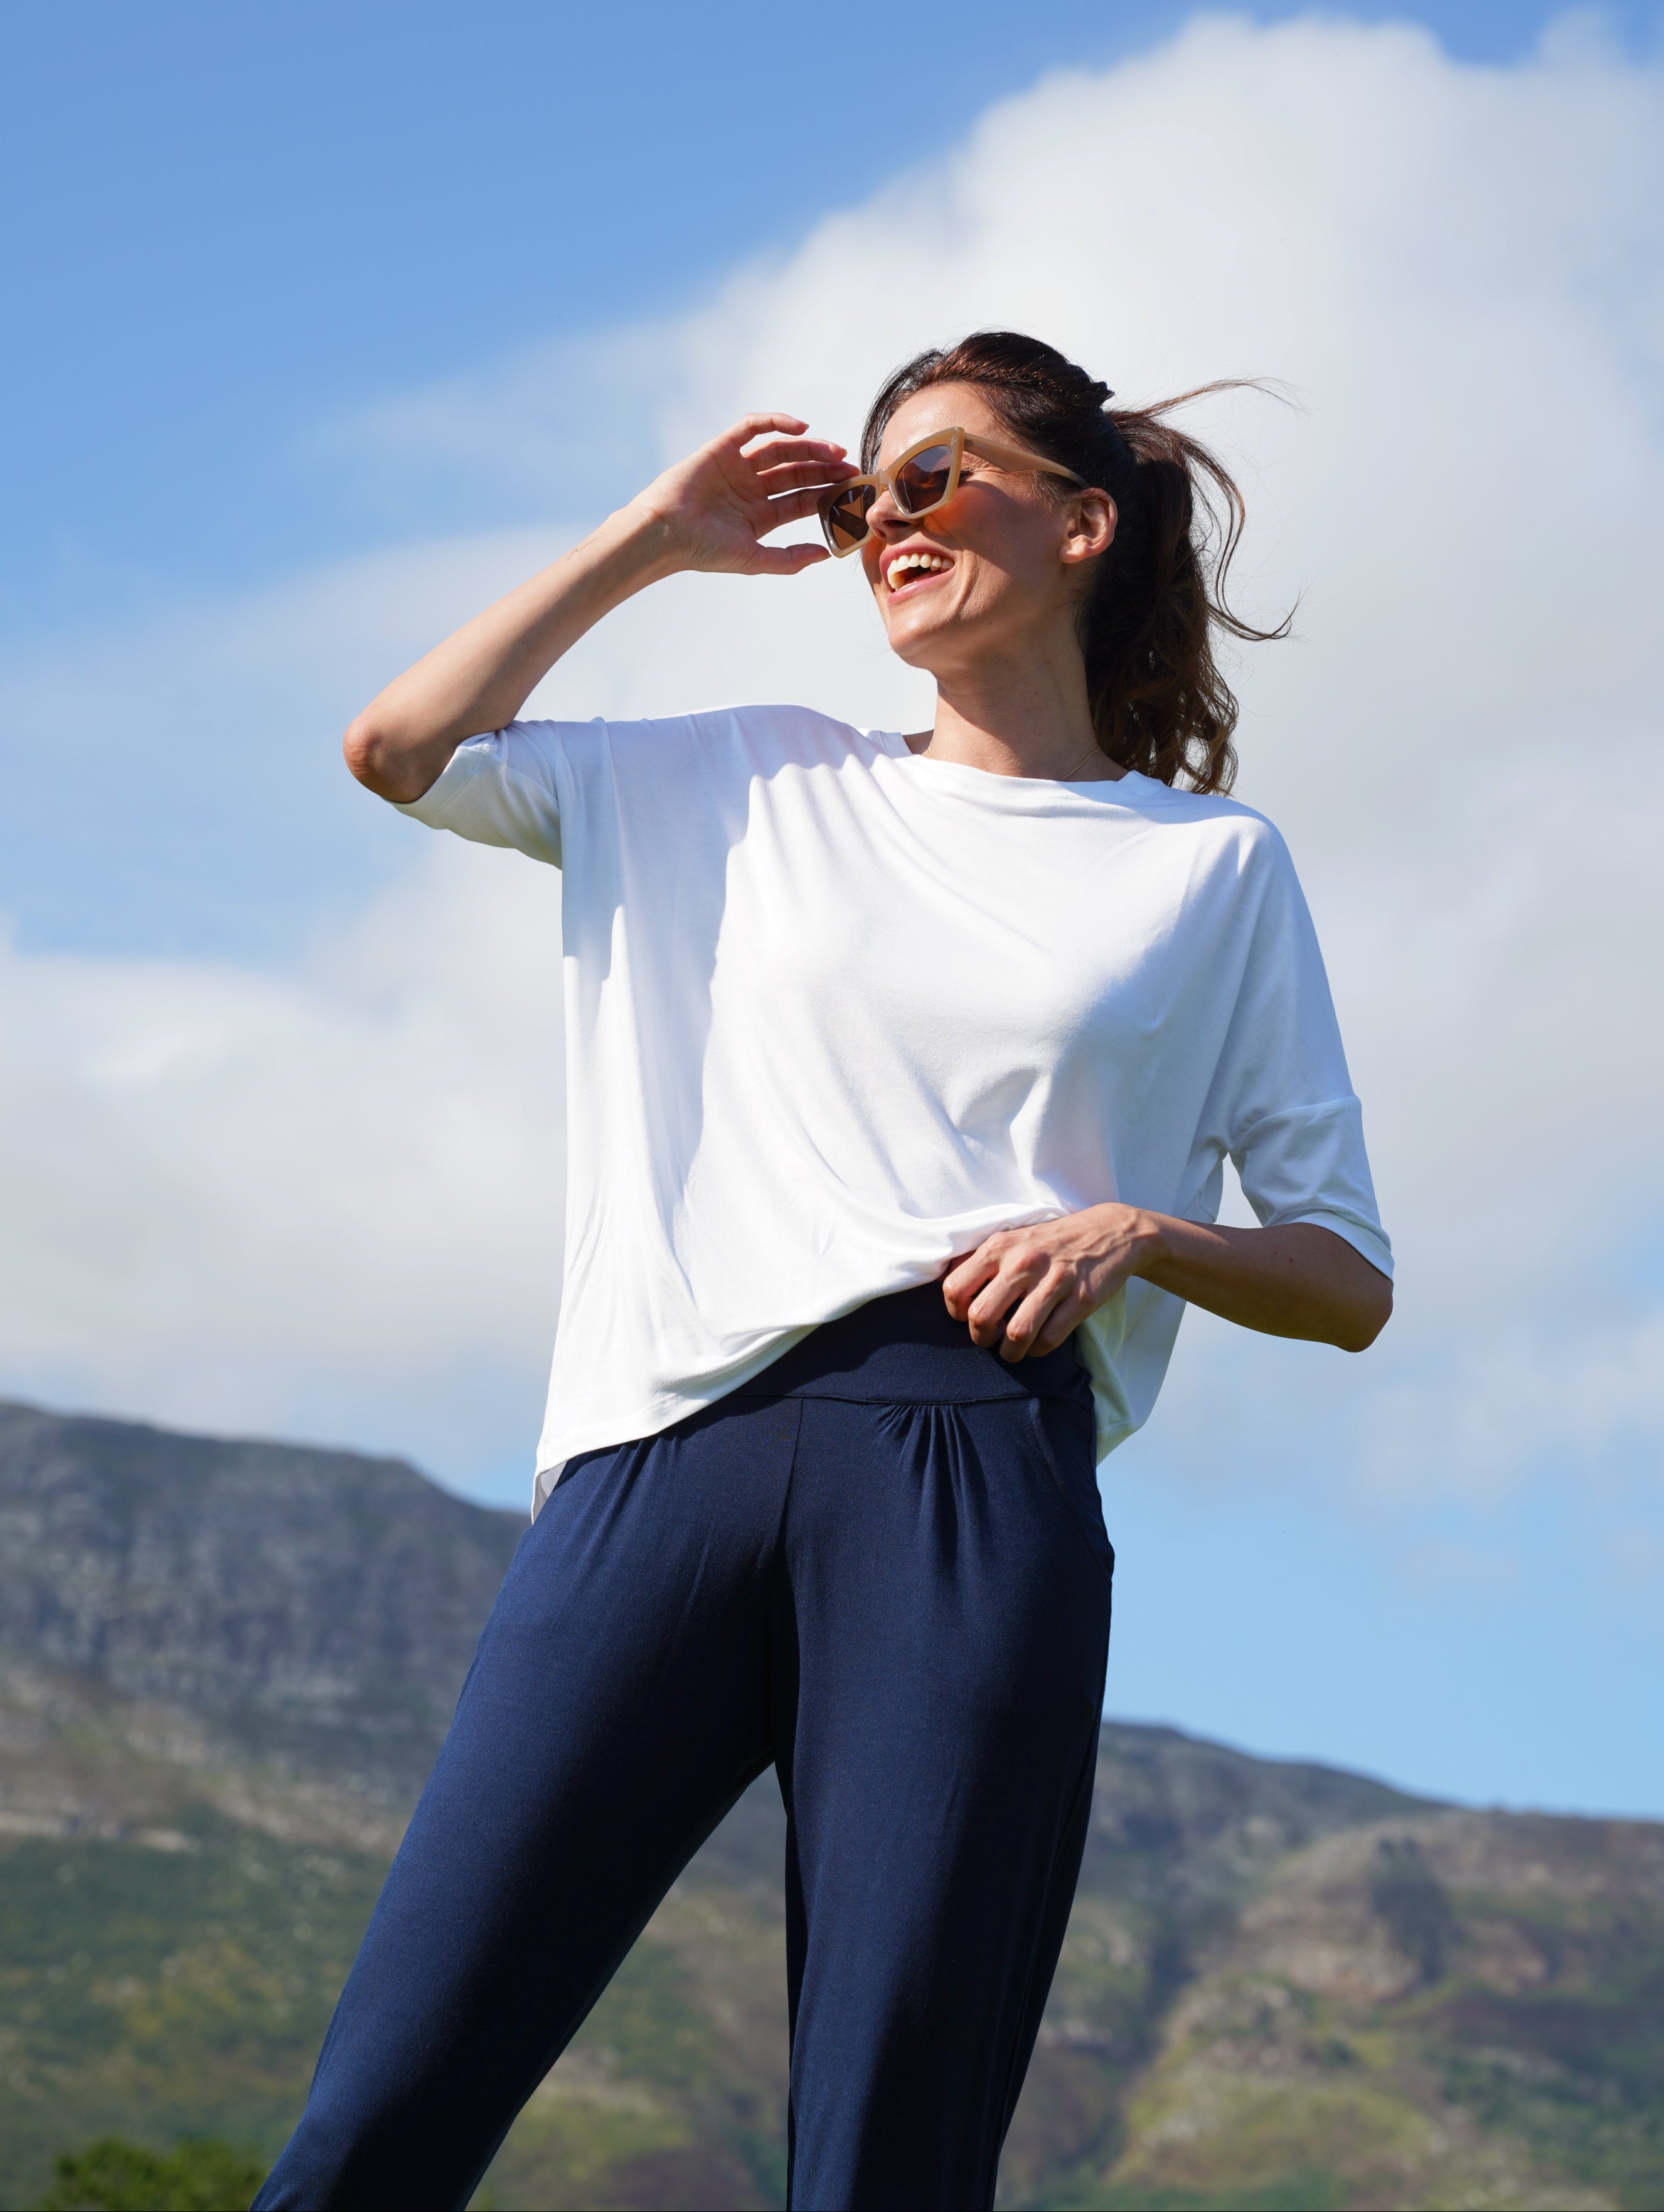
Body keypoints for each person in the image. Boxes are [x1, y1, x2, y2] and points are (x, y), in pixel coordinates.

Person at [255, 330, 1392, 2212]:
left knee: (887, 2151)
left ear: (1083, 521)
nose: (886, 521)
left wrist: (1139, 1231)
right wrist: (654, 534)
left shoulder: (1206, 868)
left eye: (936, 477)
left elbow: (1343, 1270)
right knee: (377, 2115)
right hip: (659, 1457)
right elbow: (395, 748)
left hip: (968, 1464)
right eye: (866, 495)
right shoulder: (734, 780)